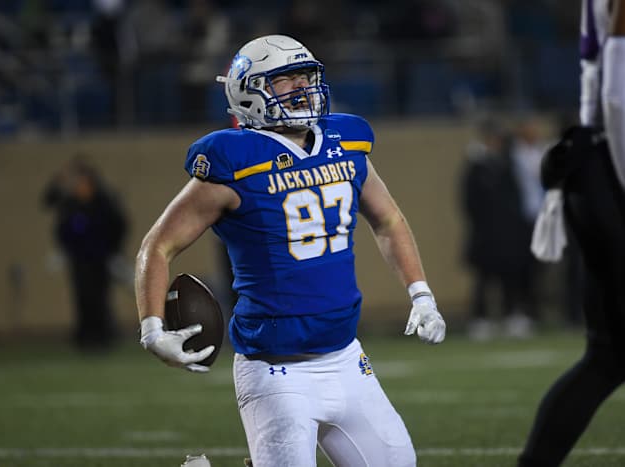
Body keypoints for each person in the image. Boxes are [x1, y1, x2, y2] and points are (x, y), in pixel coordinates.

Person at [135, 35, 446, 467]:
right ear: (248, 92)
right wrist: (152, 328)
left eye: (305, 76)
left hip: (347, 359)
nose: (302, 88)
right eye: (285, 80)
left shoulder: (346, 140)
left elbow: (388, 220)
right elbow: (159, 244)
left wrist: (421, 294)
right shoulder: (234, 160)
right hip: (276, 370)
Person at [519, 1, 625, 466]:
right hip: (612, 167)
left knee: (608, 357)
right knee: (607, 357)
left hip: (596, 161)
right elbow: (618, 90)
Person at [459, 118, 538, 340]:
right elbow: (468, 201)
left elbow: (517, 198)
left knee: (510, 276)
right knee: (483, 279)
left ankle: (513, 315)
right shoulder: (476, 166)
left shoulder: (509, 164)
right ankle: (480, 320)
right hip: (485, 233)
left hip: (509, 233)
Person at [43, 157, 127, 351]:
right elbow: (48, 201)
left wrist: (114, 251)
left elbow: (119, 226)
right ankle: (85, 337)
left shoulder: (104, 201)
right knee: (82, 298)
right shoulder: (70, 203)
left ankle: (103, 336)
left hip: (100, 258)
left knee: (100, 298)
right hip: (79, 259)